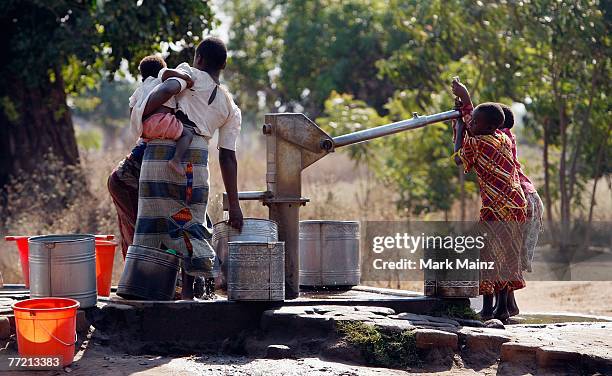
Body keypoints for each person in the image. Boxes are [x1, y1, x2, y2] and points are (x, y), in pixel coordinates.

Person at [134, 37, 243, 300]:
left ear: (199, 59)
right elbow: (228, 157)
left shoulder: (188, 73)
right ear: (224, 65)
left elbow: (167, 89)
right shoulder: (231, 107)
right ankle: (188, 294)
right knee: (190, 223)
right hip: (196, 162)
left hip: (160, 152)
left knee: (152, 222)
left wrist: (141, 113)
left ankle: (147, 288)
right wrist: (235, 205)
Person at [451, 78, 527, 321]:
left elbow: (457, 156)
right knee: (508, 254)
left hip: (498, 207)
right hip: (517, 204)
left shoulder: (475, 142)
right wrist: (465, 104)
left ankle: (486, 310)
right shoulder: (503, 138)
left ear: (485, 126)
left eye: (475, 121)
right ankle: (503, 308)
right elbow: (476, 120)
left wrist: (460, 126)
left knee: (488, 256)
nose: (471, 122)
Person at [496, 104, 544, 316]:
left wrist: (463, 111)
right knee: (509, 254)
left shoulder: (499, 138)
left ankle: (501, 307)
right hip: (529, 197)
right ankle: (509, 305)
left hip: (521, 200)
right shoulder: (508, 137)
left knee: (503, 253)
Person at [129, 55, 195, 176]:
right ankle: (176, 160)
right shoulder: (161, 79)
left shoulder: (139, 90)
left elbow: (131, 107)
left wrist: (139, 123)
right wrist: (186, 77)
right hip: (161, 121)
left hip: (144, 128)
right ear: (160, 70)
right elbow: (167, 73)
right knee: (187, 134)